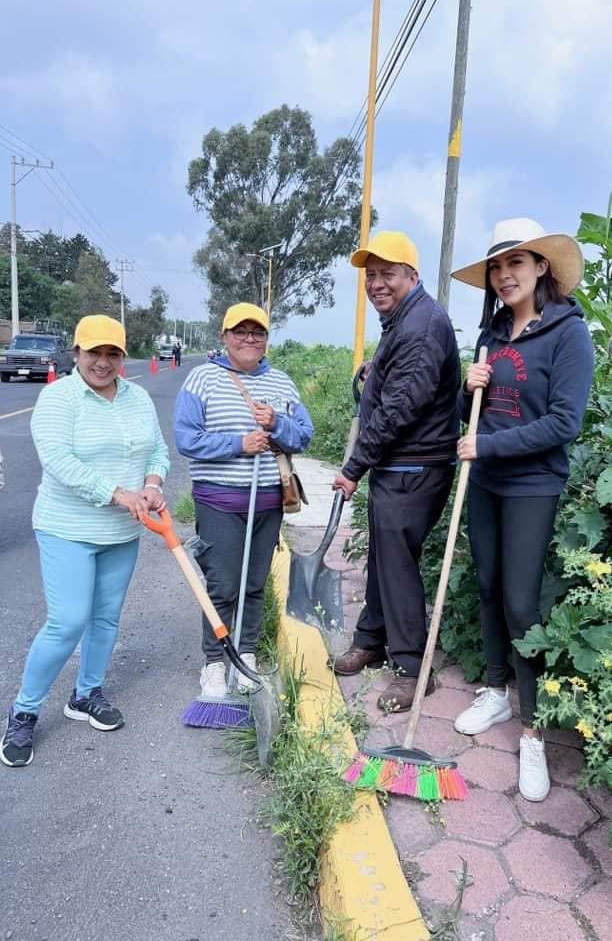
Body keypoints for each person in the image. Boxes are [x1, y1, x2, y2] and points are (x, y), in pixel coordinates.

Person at [450, 218, 594, 802]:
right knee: (486, 586)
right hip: (485, 480)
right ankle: (495, 693)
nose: (505, 275)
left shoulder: (568, 334)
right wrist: (468, 387)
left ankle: (533, 730)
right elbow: (473, 417)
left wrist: (488, 444)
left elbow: (565, 423)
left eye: (517, 263)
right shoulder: (491, 335)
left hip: (532, 482)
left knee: (519, 601)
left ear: (542, 269)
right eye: (496, 267)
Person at [1, 315, 169, 768]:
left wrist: (153, 484)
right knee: (68, 620)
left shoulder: (137, 398)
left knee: (106, 619)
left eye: (112, 353)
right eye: (94, 352)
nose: (103, 362)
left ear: (122, 356)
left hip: (122, 531)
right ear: (76, 353)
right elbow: (58, 461)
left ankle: (86, 693)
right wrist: (118, 493)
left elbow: (156, 449)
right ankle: (24, 710)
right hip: (66, 528)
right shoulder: (58, 397)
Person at [331, 231, 461, 712]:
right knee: (386, 557)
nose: (377, 283)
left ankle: (411, 669)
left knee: (399, 564)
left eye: (388, 274)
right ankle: (371, 638)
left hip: (414, 466)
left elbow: (398, 409)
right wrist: (376, 368)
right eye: (372, 275)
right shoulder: (404, 321)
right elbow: (400, 380)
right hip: (398, 465)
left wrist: (352, 468)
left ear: (413, 275)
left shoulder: (422, 324)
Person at [175, 302, 313, 698]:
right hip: (219, 501)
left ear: (267, 339)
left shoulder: (283, 383)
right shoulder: (202, 379)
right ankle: (215, 662)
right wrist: (240, 444)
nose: (249, 338)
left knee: (254, 583)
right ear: (225, 336)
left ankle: (246, 653)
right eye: (241, 331)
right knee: (222, 584)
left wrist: (276, 425)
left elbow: (303, 435)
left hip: (267, 501)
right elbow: (187, 440)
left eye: (258, 332)